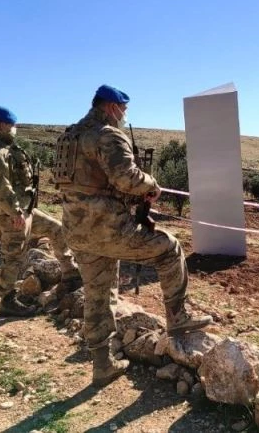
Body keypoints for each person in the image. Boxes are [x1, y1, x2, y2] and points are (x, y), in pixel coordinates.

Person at [54, 85, 212, 387]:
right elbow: (127, 178)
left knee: (97, 292)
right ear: (111, 107)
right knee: (169, 249)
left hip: (76, 230)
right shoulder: (108, 135)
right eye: (123, 109)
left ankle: (102, 364)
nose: (124, 115)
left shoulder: (69, 136)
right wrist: (151, 185)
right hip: (109, 228)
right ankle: (178, 318)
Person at [0, 106, 81, 316]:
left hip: (23, 209)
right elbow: (0, 187)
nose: (14, 128)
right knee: (14, 254)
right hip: (11, 213)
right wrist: (14, 213)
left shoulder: (3, 147)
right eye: (12, 125)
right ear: (2, 125)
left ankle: (70, 272)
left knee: (56, 229)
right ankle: (7, 300)